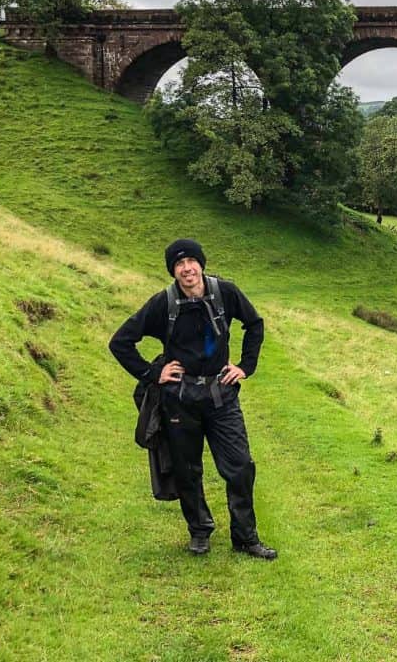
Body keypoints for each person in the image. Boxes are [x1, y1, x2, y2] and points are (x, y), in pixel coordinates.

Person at [109, 238, 277, 559]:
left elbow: (254, 324)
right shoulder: (163, 304)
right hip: (180, 400)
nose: (187, 269)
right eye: (179, 264)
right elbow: (121, 342)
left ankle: (245, 537)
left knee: (240, 466)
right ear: (173, 271)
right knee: (187, 470)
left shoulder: (225, 293)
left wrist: (245, 366)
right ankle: (199, 531)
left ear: (201, 263)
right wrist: (151, 373)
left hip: (221, 397)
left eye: (191, 262)